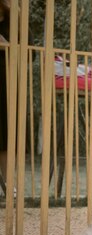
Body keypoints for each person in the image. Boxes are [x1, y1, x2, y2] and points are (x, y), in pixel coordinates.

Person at [0, 0, 9, 196]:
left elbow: (29, 52)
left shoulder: (12, 22)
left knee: (6, 136)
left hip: (6, 85)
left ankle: (8, 184)